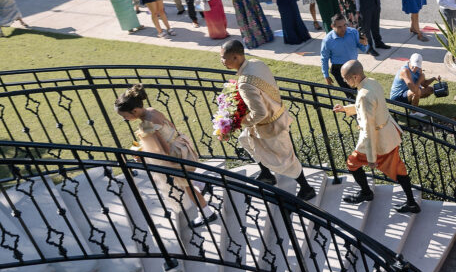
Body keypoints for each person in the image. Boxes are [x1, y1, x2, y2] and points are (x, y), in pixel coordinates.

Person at [220, 40, 315, 200]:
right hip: (276, 116)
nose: (222, 61)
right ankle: (266, 174)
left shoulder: (244, 83)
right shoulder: (257, 63)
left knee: (286, 159)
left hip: (270, 127)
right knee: (245, 140)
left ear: (235, 57)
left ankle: (306, 189)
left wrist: (239, 122)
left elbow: (259, 113)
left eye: (223, 57)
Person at [114, 84, 215, 229]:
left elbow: (164, 150)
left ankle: (207, 212)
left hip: (176, 155)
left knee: (187, 188)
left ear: (134, 110)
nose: (125, 119)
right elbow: (171, 127)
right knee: (188, 179)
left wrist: (142, 156)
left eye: (125, 116)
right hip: (182, 144)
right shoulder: (152, 110)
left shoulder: (146, 125)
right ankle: (201, 184)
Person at [333, 60, 420, 213]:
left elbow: (368, 129)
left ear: (355, 77)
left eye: (345, 78)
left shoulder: (363, 95)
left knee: (352, 163)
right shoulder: (372, 82)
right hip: (389, 133)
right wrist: (345, 109)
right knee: (398, 169)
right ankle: (411, 202)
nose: (344, 82)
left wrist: (372, 158)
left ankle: (367, 193)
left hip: (379, 141)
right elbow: (369, 108)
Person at [321, 14, 369, 94]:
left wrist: (365, 43)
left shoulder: (353, 32)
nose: (343, 29)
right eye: (339, 27)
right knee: (350, 95)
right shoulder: (327, 41)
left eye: (345, 25)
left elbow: (364, 49)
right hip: (339, 70)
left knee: (361, 92)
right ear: (332, 26)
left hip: (354, 67)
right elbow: (324, 58)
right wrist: (326, 75)